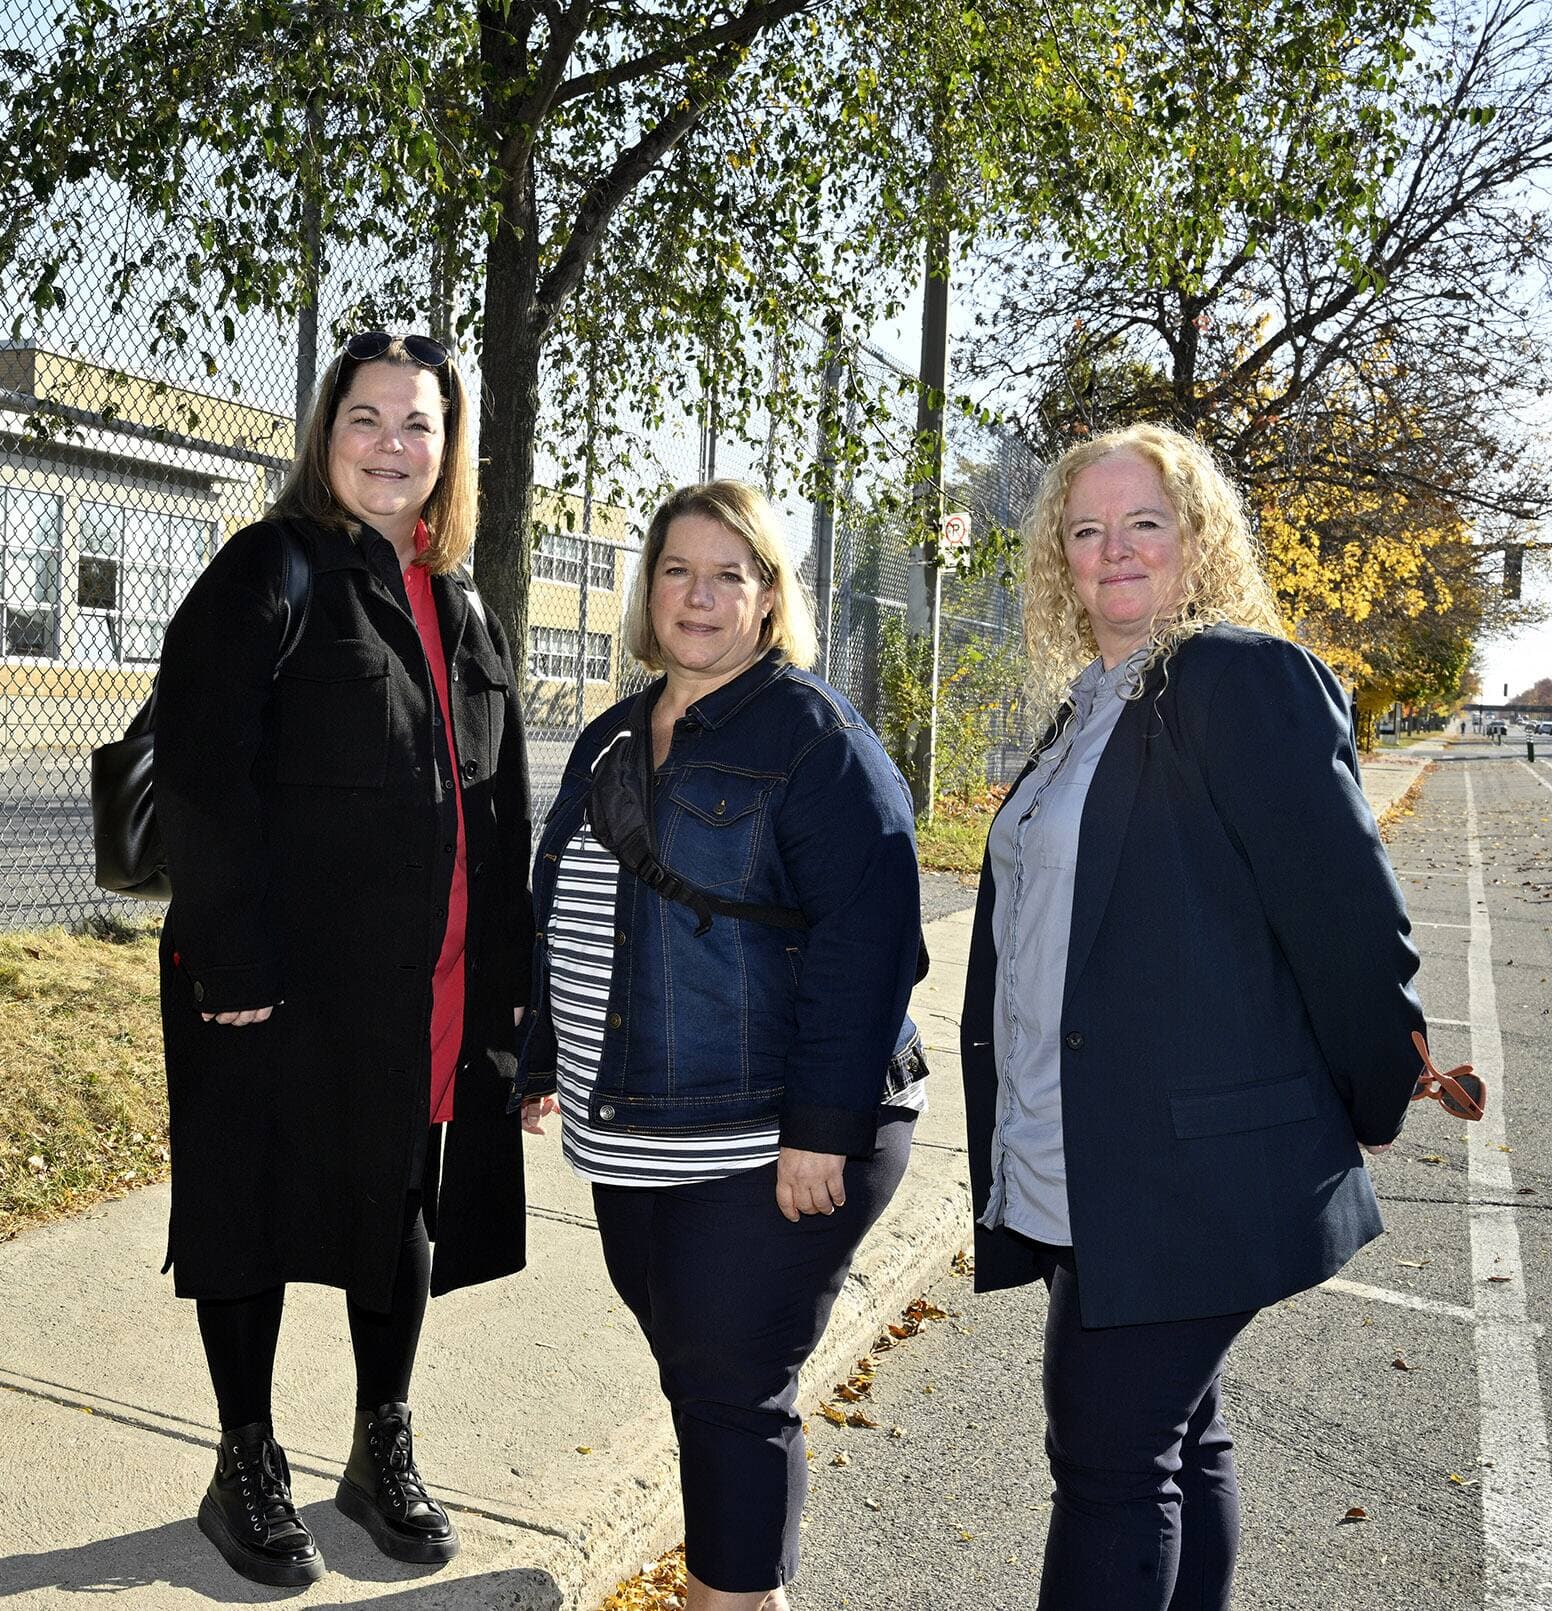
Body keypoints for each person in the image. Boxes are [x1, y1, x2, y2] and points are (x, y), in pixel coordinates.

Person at [963, 423, 1426, 1610]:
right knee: (1182, 1442)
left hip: (1181, 1175)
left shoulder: (1238, 677)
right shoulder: (1087, 706)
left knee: (1109, 1469)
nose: (1112, 552)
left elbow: (1347, 920)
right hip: (1077, 1159)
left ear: (1196, 538)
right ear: (1058, 559)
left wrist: (1371, 1099)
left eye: (1143, 524)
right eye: (1085, 530)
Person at [150, 331, 534, 1587]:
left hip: (418, 981)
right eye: (365, 419)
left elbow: (499, 808)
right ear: (325, 435)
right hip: (271, 977)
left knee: (397, 1207)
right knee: (249, 1209)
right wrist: (231, 959)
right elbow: (203, 773)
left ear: (447, 448)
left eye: (415, 424)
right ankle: (244, 1459)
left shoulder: (462, 599)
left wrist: (506, 1002)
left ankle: (381, 1443)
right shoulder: (272, 569)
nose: (390, 446)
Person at [510, 481, 928, 1611]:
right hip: (637, 1126)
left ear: (766, 595)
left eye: (727, 574)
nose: (698, 596)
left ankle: (730, 1600)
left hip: (767, 1137)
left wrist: (821, 1130)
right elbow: (570, 902)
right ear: (647, 590)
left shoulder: (812, 736)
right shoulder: (613, 730)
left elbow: (871, 944)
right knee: (698, 1374)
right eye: (677, 571)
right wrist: (542, 1056)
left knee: (733, 1385)